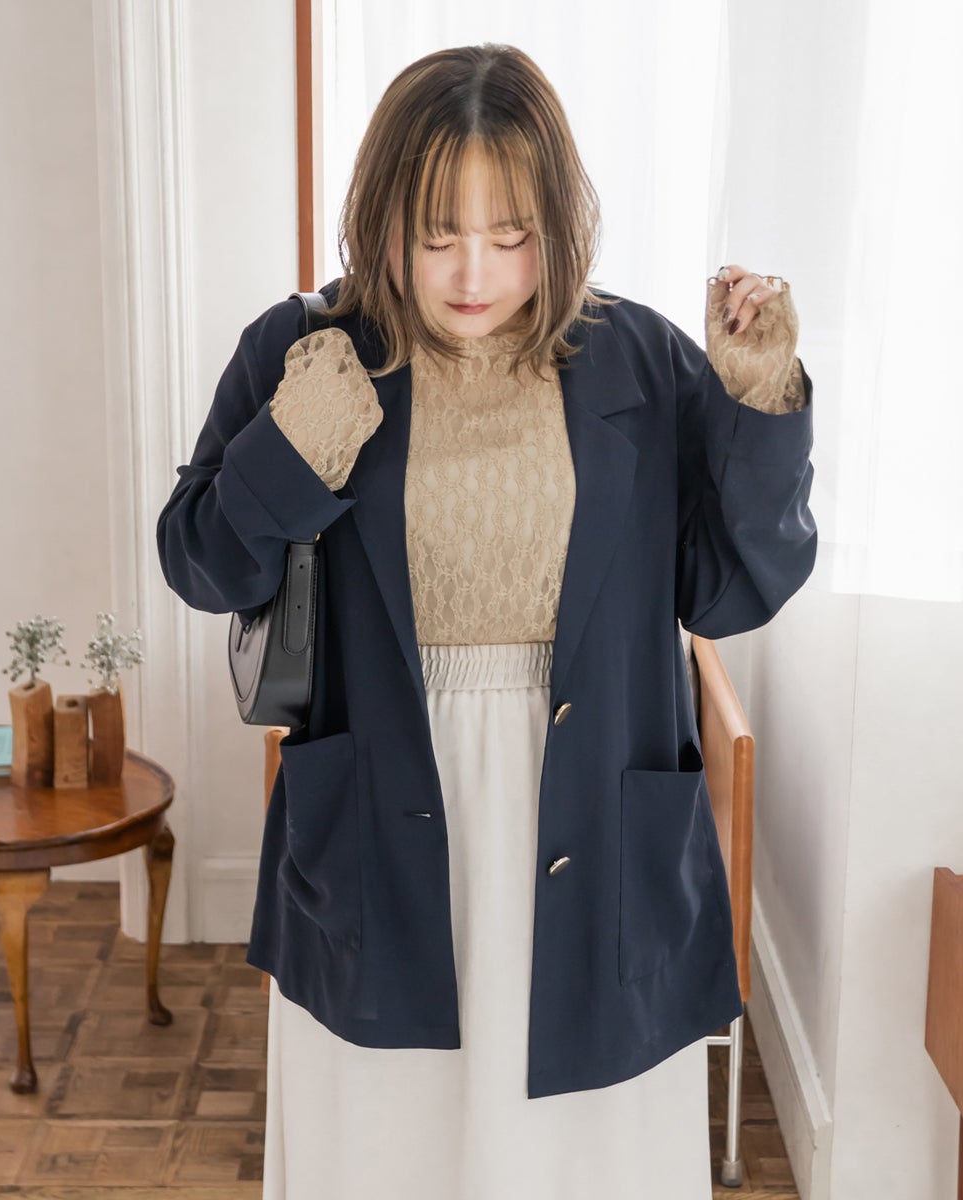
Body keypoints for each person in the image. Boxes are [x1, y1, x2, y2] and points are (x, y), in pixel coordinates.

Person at [157, 42, 815, 1200]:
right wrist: (294, 447)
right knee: (388, 1145)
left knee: (581, 1155)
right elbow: (200, 564)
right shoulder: (306, 347)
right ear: (379, 218)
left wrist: (755, 396)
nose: (473, 273)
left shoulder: (637, 358)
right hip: (385, 809)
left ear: (558, 222)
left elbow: (727, 591)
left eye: (510, 235)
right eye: (434, 235)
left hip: (591, 806)